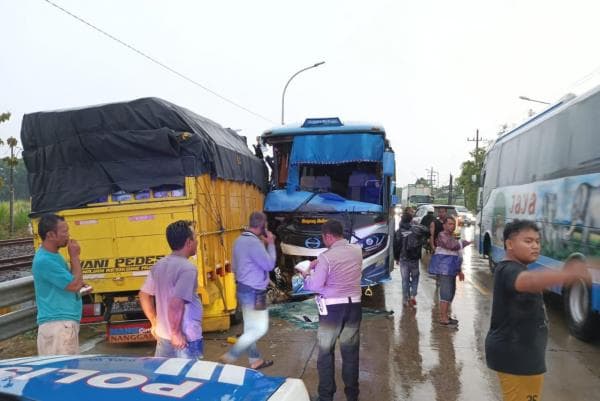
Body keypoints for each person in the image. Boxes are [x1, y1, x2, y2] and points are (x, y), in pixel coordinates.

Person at [485, 220, 589, 401]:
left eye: (537, 241)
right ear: (510, 244)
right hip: (515, 358)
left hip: (526, 357)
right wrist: (568, 273)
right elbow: (528, 281)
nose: (535, 246)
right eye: (528, 241)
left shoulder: (518, 268)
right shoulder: (508, 269)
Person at [302, 219, 362, 401]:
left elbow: (315, 286)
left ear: (328, 236)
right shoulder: (357, 250)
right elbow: (339, 257)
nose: (323, 241)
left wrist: (306, 275)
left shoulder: (326, 258)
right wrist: (318, 262)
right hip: (354, 307)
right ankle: (352, 395)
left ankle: (326, 396)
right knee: (351, 353)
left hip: (332, 310)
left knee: (325, 353)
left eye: (323, 238)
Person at [139, 220, 204, 358]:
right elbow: (176, 302)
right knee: (191, 377)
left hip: (163, 335)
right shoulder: (188, 268)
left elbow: (144, 295)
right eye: (196, 238)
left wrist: (155, 323)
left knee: (165, 376)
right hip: (185, 339)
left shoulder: (159, 265)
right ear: (188, 242)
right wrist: (176, 334)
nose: (197, 242)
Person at [221, 211, 276, 370]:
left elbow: (235, 267)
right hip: (255, 291)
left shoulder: (238, 241)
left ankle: (255, 360)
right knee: (260, 328)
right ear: (262, 225)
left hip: (243, 289)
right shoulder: (254, 243)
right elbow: (269, 265)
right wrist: (271, 244)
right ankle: (233, 354)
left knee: (250, 328)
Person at [32, 213, 84, 355]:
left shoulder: (53, 256)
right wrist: (74, 256)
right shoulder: (45, 260)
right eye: (64, 231)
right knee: (65, 372)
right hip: (59, 325)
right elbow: (74, 285)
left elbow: (72, 281)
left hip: (61, 324)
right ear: (50, 235)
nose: (68, 235)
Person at [428, 216, 471, 325]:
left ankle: (446, 315)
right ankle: (443, 318)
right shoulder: (442, 235)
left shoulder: (452, 236)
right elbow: (452, 246)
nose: (452, 226)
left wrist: (459, 271)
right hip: (444, 270)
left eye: (453, 224)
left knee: (451, 293)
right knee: (446, 293)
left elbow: (456, 255)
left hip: (451, 270)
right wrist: (463, 243)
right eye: (450, 224)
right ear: (444, 225)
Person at [394, 212, 427, 307]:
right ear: (411, 220)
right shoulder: (416, 229)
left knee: (405, 280)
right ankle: (413, 295)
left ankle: (405, 299)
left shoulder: (399, 231)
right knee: (415, 277)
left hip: (403, 259)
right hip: (414, 258)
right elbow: (427, 231)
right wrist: (417, 224)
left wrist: (396, 258)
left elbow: (396, 246)